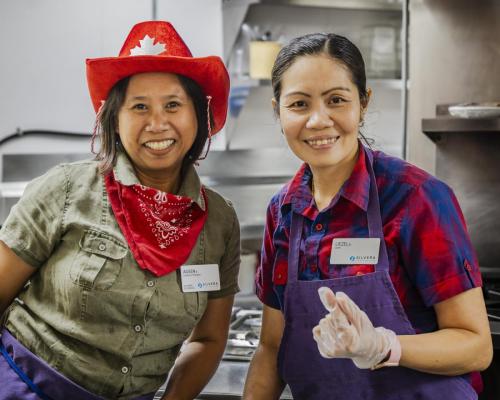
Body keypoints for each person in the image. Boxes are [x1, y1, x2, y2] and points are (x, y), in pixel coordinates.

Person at [243, 32, 492, 399]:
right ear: (278, 110)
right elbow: (270, 348)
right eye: (298, 104)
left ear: (363, 102)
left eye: (336, 100)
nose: (317, 120)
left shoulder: (415, 197)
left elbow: (475, 345)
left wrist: (384, 346)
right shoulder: (283, 211)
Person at [0, 21, 240, 400]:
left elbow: (209, 338)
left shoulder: (219, 223)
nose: (158, 123)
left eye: (173, 105)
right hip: (23, 386)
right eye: (139, 106)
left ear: (199, 115)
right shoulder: (66, 190)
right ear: (115, 118)